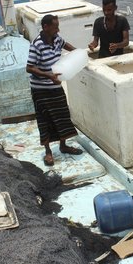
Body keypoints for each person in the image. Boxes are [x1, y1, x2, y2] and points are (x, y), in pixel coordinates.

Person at [26, 14, 83, 166]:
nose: (58, 29)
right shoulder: (36, 44)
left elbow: (66, 45)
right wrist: (48, 75)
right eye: (55, 26)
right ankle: (48, 152)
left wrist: (79, 54)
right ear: (46, 27)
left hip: (55, 85)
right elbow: (29, 67)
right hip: (40, 89)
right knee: (45, 119)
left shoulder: (57, 38)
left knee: (63, 115)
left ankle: (63, 146)